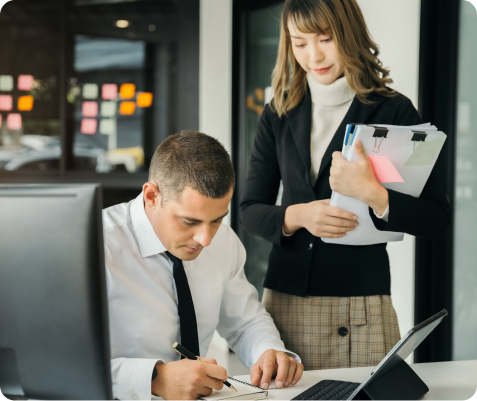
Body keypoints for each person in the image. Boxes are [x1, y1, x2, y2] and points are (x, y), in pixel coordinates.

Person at [240, 0, 450, 371]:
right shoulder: (278, 112)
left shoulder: (394, 111)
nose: (313, 55)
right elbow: (249, 212)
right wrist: (297, 216)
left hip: (362, 305)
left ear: (348, 35)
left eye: (325, 38)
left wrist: (373, 193)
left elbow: (436, 219)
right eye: (299, 42)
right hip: (286, 300)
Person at [104, 130, 304, 401]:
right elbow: (49, 358)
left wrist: (267, 350)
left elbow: (244, 322)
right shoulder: (95, 246)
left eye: (217, 219)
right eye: (189, 221)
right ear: (152, 196)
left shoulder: (223, 241)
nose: (205, 239)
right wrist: (153, 379)